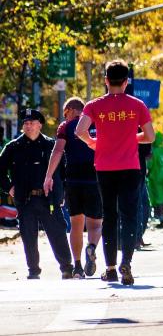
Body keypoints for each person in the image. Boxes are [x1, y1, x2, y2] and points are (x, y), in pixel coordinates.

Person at [75, 61, 156, 285]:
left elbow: (79, 130)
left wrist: (93, 142)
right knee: (130, 216)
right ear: (127, 81)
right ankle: (126, 263)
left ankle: (110, 268)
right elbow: (150, 136)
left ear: (106, 80)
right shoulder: (138, 105)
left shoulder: (94, 105)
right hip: (130, 168)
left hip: (104, 168)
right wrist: (133, 138)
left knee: (109, 216)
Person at [1, 109, 74, 279]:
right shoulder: (13, 147)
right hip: (25, 199)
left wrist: (62, 194)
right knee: (28, 236)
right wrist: (10, 188)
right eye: (25, 123)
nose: (28, 126)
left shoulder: (51, 145)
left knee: (57, 233)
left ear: (40, 124)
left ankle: (66, 268)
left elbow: (64, 172)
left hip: (48, 198)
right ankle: (33, 270)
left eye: (32, 122)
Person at [43, 97, 102, 278]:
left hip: (74, 181)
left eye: (64, 114)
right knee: (95, 224)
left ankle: (77, 267)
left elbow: (58, 150)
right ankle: (91, 247)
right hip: (95, 180)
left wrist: (48, 175)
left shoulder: (65, 127)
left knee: (76, 224)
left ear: (69, 110)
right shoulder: (97, 123)